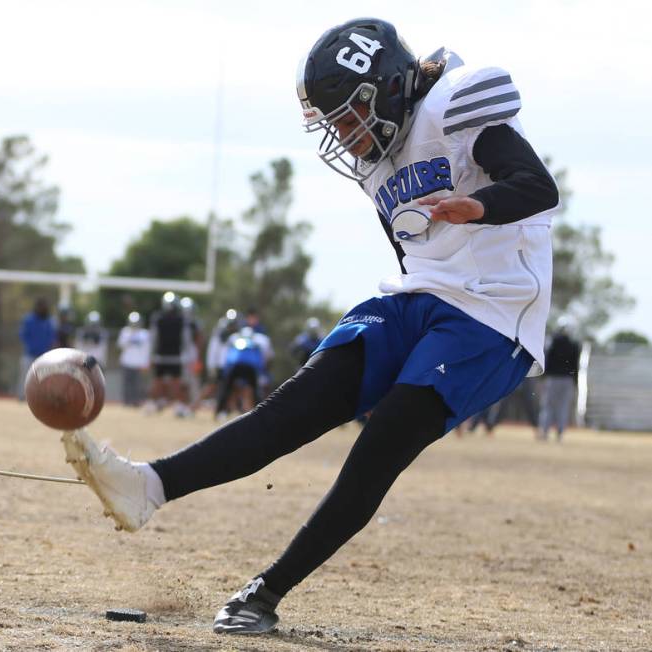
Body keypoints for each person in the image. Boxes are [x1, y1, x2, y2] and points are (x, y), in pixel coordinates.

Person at [60, 18, 558, 635]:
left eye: (350, 118)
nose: (346, 138)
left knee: (381, 443)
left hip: (494, 309)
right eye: (336, 125)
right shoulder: (379, 166)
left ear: (388, 88)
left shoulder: (454, 104)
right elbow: (410, 257)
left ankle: (265, 592)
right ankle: (148, 487)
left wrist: (475, 207)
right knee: (295, 405)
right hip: (422, 294)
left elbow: (538, 187)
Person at [144, 292, 190, 417]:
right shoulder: (180, 319)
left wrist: (150, 355)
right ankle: (176, 406)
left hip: (165, 355)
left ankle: (153, 404)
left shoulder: (159, 318)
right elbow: (186, 339)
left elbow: (153, 338)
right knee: (169, 382)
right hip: (171, 356)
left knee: (161, 381)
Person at [215, 326, 273, 420]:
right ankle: (260, 413)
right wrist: (262, 370)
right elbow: (264, 357)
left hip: (235, 366)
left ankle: (220, 411)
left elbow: (227, 355)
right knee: (255, 390)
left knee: (226, 389)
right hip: (250, 368)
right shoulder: (260, 340)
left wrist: (224, 369)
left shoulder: (234, 338)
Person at [538, 318, 581, 441]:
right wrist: (575, 382)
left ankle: (545, 431)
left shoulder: (552, 341)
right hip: (567, 380)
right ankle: (560, 433)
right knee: (563, 407)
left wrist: (542, 376)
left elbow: (546, 359)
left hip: (552, 379)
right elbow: (575, 366)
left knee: (548, 405)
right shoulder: (574, 345)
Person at [17, 297, 56, 400]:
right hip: (29, 354)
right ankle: (22, 396)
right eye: (41, 306)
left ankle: (41, 397)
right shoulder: (28, 320)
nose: (43, 309)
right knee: (25, 376)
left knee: (45, 378)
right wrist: (32, 346)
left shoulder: (49, 321)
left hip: (44, 356)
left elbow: (52, 337)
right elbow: (23, 335)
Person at [117, 311, 150, 406]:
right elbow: (121, 345)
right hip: (126, 362)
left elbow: (146, 349)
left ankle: (136, 401)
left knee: (138, 384)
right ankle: (126, 401)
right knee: (127, 384)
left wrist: (146, 363)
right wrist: (130, 336)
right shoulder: (125, 332)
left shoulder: (145, 334)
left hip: (138, 363)